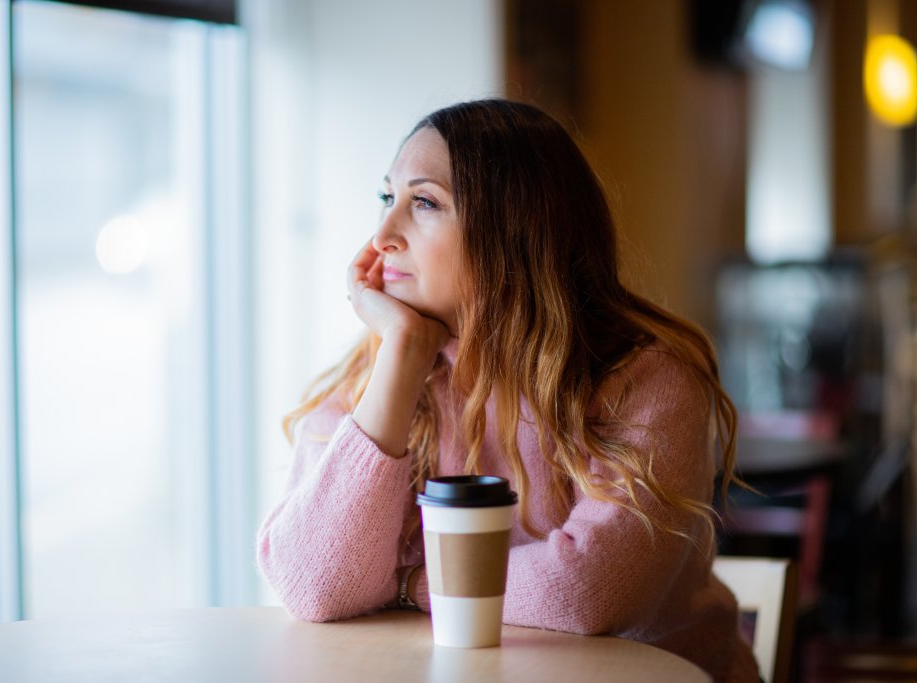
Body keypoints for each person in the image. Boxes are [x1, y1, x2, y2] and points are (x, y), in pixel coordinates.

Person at [256, 98, 759, 682]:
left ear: (514, 229)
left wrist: (408, 582)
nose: (383, 235)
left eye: (424, 202)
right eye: (386, 198)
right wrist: (402, 355)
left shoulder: (645, 380)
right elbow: (314, 585)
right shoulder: (378, 376)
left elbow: (585, 592)